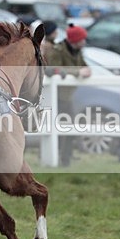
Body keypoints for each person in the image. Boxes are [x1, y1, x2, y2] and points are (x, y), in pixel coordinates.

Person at [46, 24, 91, 166]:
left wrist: (87, 70)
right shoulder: (57, 51)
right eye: (82, 39)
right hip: (56, 97)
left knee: (71, 128)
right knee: (59, 128)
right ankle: (59, 157)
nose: (84, 42)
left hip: (67, 96)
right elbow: (53, 69)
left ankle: (66, 158)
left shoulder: (78, 51)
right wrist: (77, 72)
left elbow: (83, 65)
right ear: (75, 40)